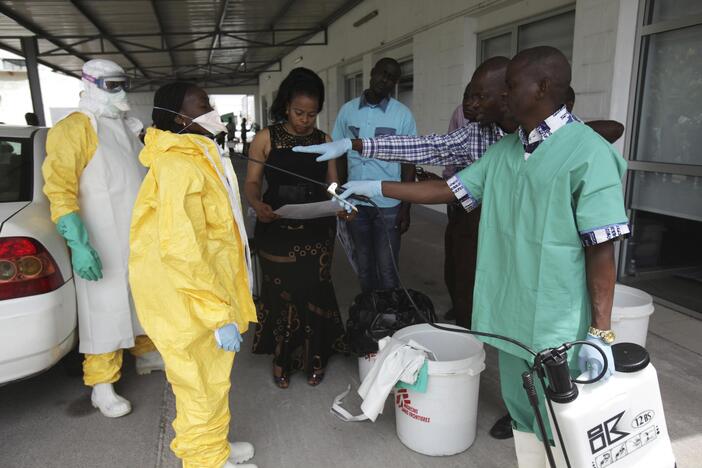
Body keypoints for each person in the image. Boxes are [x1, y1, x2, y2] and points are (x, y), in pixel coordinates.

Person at [336, 46, 629, 467]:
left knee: (560, 416)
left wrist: (601, 333)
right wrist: (377, 189)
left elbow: (602, 249)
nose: (504, 96)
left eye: (511, 86)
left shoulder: (588, 153)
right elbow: (449, 190)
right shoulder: (507, 150)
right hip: (509, 314)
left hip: (556, 321)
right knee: (522, 409)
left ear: (543, 87)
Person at [129, 82, 258, 468]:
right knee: (199, 383)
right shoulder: (177, 165)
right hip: (188, 297)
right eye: (204, 105)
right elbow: (181, 248)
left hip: (206, 288)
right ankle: (204, 461)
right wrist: (216, 313)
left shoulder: (197, 155)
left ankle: (213, 447)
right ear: (181, 117)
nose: (212, 110)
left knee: (212, 378)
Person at [42, 59, 164, 419]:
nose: (121, 92)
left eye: (123, 83)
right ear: (90, 84)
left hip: (136, 234)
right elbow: (59, 188)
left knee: (142, 297)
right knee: (104, 309)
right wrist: (78, 244)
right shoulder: (74, 129)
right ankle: (101, 385)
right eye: (112, 85)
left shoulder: (126, 126)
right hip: (99, 240)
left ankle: (146, 353)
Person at [244, 68, 347, 389]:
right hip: (275, 225)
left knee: (314, 289)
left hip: (317, 229)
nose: (305, 120)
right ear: (286, 106)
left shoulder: (324, 140)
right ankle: (282, 358)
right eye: (299, 112)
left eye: (312, 114)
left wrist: (341, 202)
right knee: (281, 293)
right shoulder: (266, 138)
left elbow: (332, 185)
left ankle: (315, 356)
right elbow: (251, 182)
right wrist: (257, 205)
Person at [332, 57, 417, 292]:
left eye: (392, 78)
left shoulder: (402, 115)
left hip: (389, 204)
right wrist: (339, 193)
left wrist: (406, 208)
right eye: (382, 73)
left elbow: (409, 162)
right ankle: (372, 316)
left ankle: (390, 317)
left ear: (395, 83)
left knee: (388, 268)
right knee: (364, 265)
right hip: (356, 202)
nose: (385, 80)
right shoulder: (347, 111)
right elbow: (338, 154)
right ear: (372, 72)